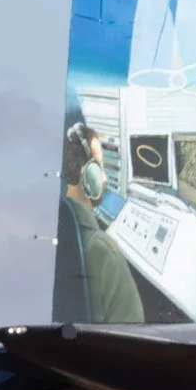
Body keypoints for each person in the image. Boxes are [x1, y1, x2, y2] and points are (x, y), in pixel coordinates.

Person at [51, 121, 146, 324]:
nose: (104, 178)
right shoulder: (105, 253)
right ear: (88, 176)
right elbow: (134, 332)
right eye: (100, 167)